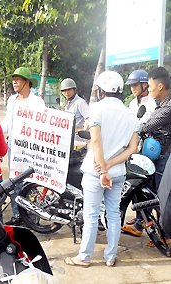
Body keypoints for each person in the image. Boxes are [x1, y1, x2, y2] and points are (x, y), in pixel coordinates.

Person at [65, 70, 138, 268]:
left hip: (94, 171)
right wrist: (110, 165)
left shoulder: (97, 109)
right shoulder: (130, 114)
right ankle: (110, 256)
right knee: (113, 213)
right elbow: (133, 148)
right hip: (118, 172)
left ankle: (84, 257)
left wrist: (103, 170)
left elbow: (95, 141)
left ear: (102, 90)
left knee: (91, 214)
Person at [122, 67, 171, 239]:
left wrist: (125, 131)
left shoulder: (168, 107)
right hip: (154, 155)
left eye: (149, 85)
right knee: (148, 189)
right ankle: (146, 224)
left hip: (165, 157)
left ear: (160, 86)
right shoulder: (160, 103)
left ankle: (165, 233)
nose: (148, 89)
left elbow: (146, 126)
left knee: (162, 195)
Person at [0, 66, 45, 225]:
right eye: (13, 80)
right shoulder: (12, 100)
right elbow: (7, 122)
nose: (14, 82)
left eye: (17, 79)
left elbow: (41, 126)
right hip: (14, 148)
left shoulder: (37, 102)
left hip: (30, 150)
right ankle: (17, 214)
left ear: (27, 82)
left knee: (30, 183)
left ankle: (32, 216)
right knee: (14, 182)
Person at [121, 69, 157, 235]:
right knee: (135, 185)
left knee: (147, 187)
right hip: (134, 149)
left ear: (144, 85)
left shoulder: (152, 103)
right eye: (131, 86)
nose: (133, 88)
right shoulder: (132, 104)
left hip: (149, 151)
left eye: (135, 85)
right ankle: (139, 219)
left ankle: (147, 225)